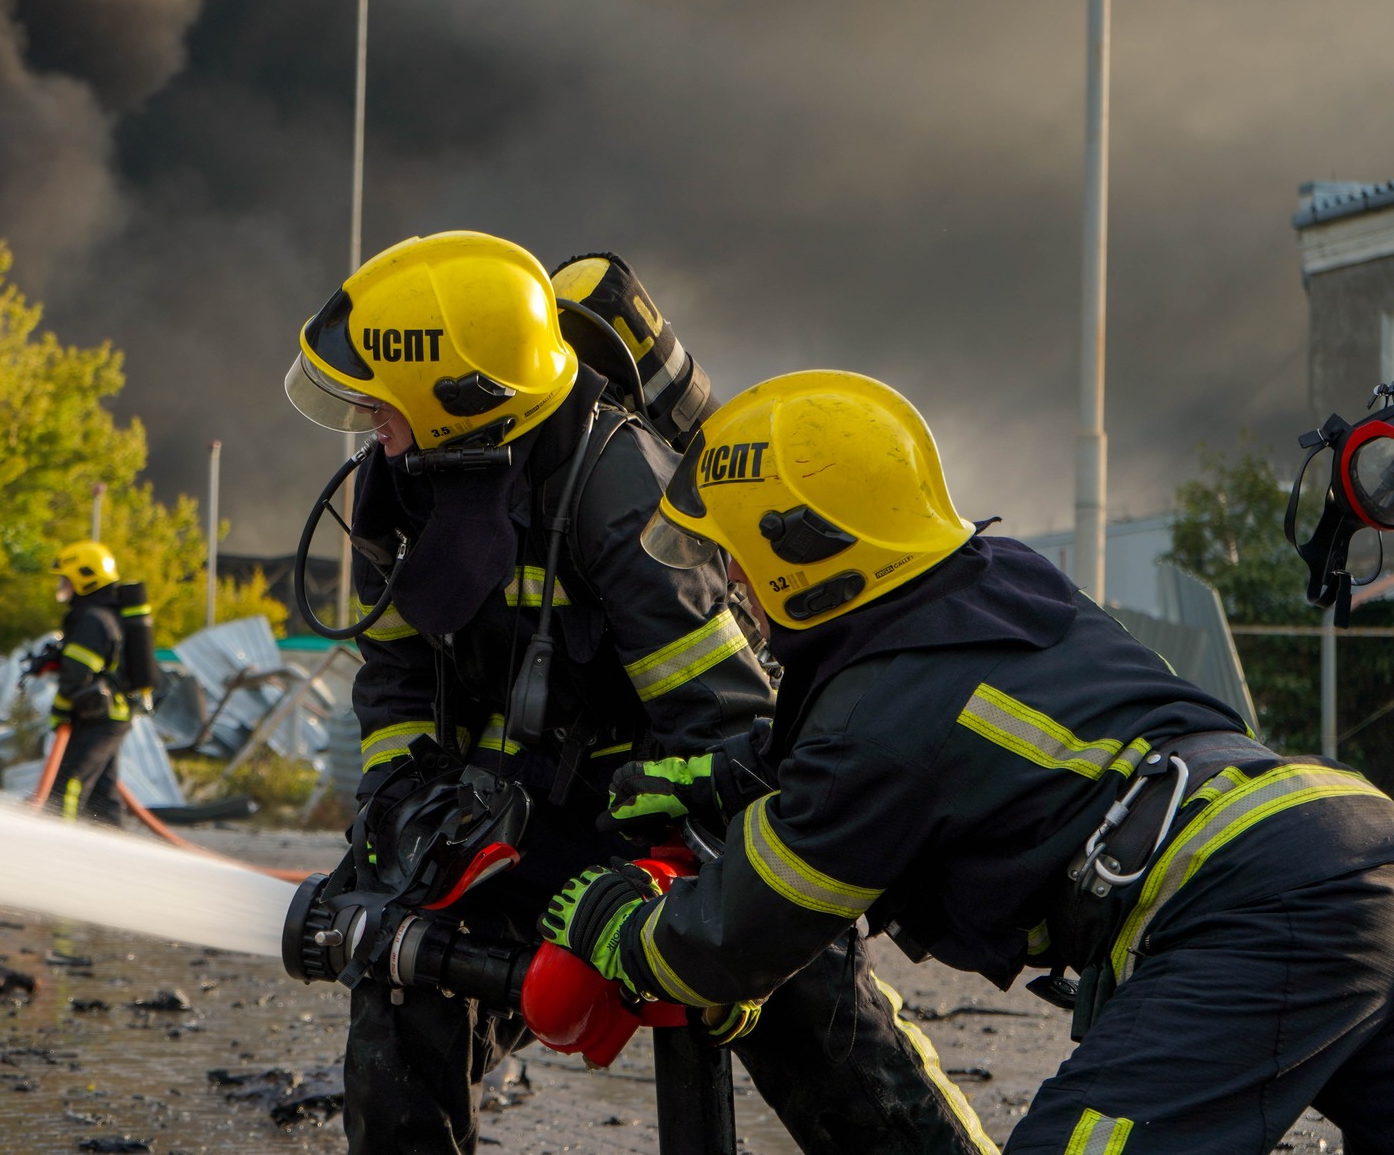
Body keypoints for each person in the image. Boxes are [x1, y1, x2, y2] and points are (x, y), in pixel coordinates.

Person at [542, 369, 1394, 1154]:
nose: (730, 578)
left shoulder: (872, 725)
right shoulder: (997, 579)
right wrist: (733, 771)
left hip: (1251, 904)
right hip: (1349, 836)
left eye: (736, 552)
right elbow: (946, 733)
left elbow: (737, 937)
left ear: (796, 554)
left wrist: (619, 927)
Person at [285, 232, 995, 1155]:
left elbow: (729, 717)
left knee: (804, 1012)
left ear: (462, 398)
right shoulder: (407, 484)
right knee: (400, 983)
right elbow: (393, 671)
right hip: (518, 815)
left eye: (384, 402)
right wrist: (405, 793)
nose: (369, 421)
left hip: (677, 806)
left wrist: (670, 893)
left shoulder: (614, 485)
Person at [46, 540, 132, 826]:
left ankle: (58, 841)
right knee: (102, 795)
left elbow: (76, 676)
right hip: (107, 716)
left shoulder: (92, 620)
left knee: (69, 784)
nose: (62, 586)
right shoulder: (102, 615)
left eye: (66, 580)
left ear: (85, 578)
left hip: (100, 718)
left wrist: (58, 713)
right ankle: (113, 853)